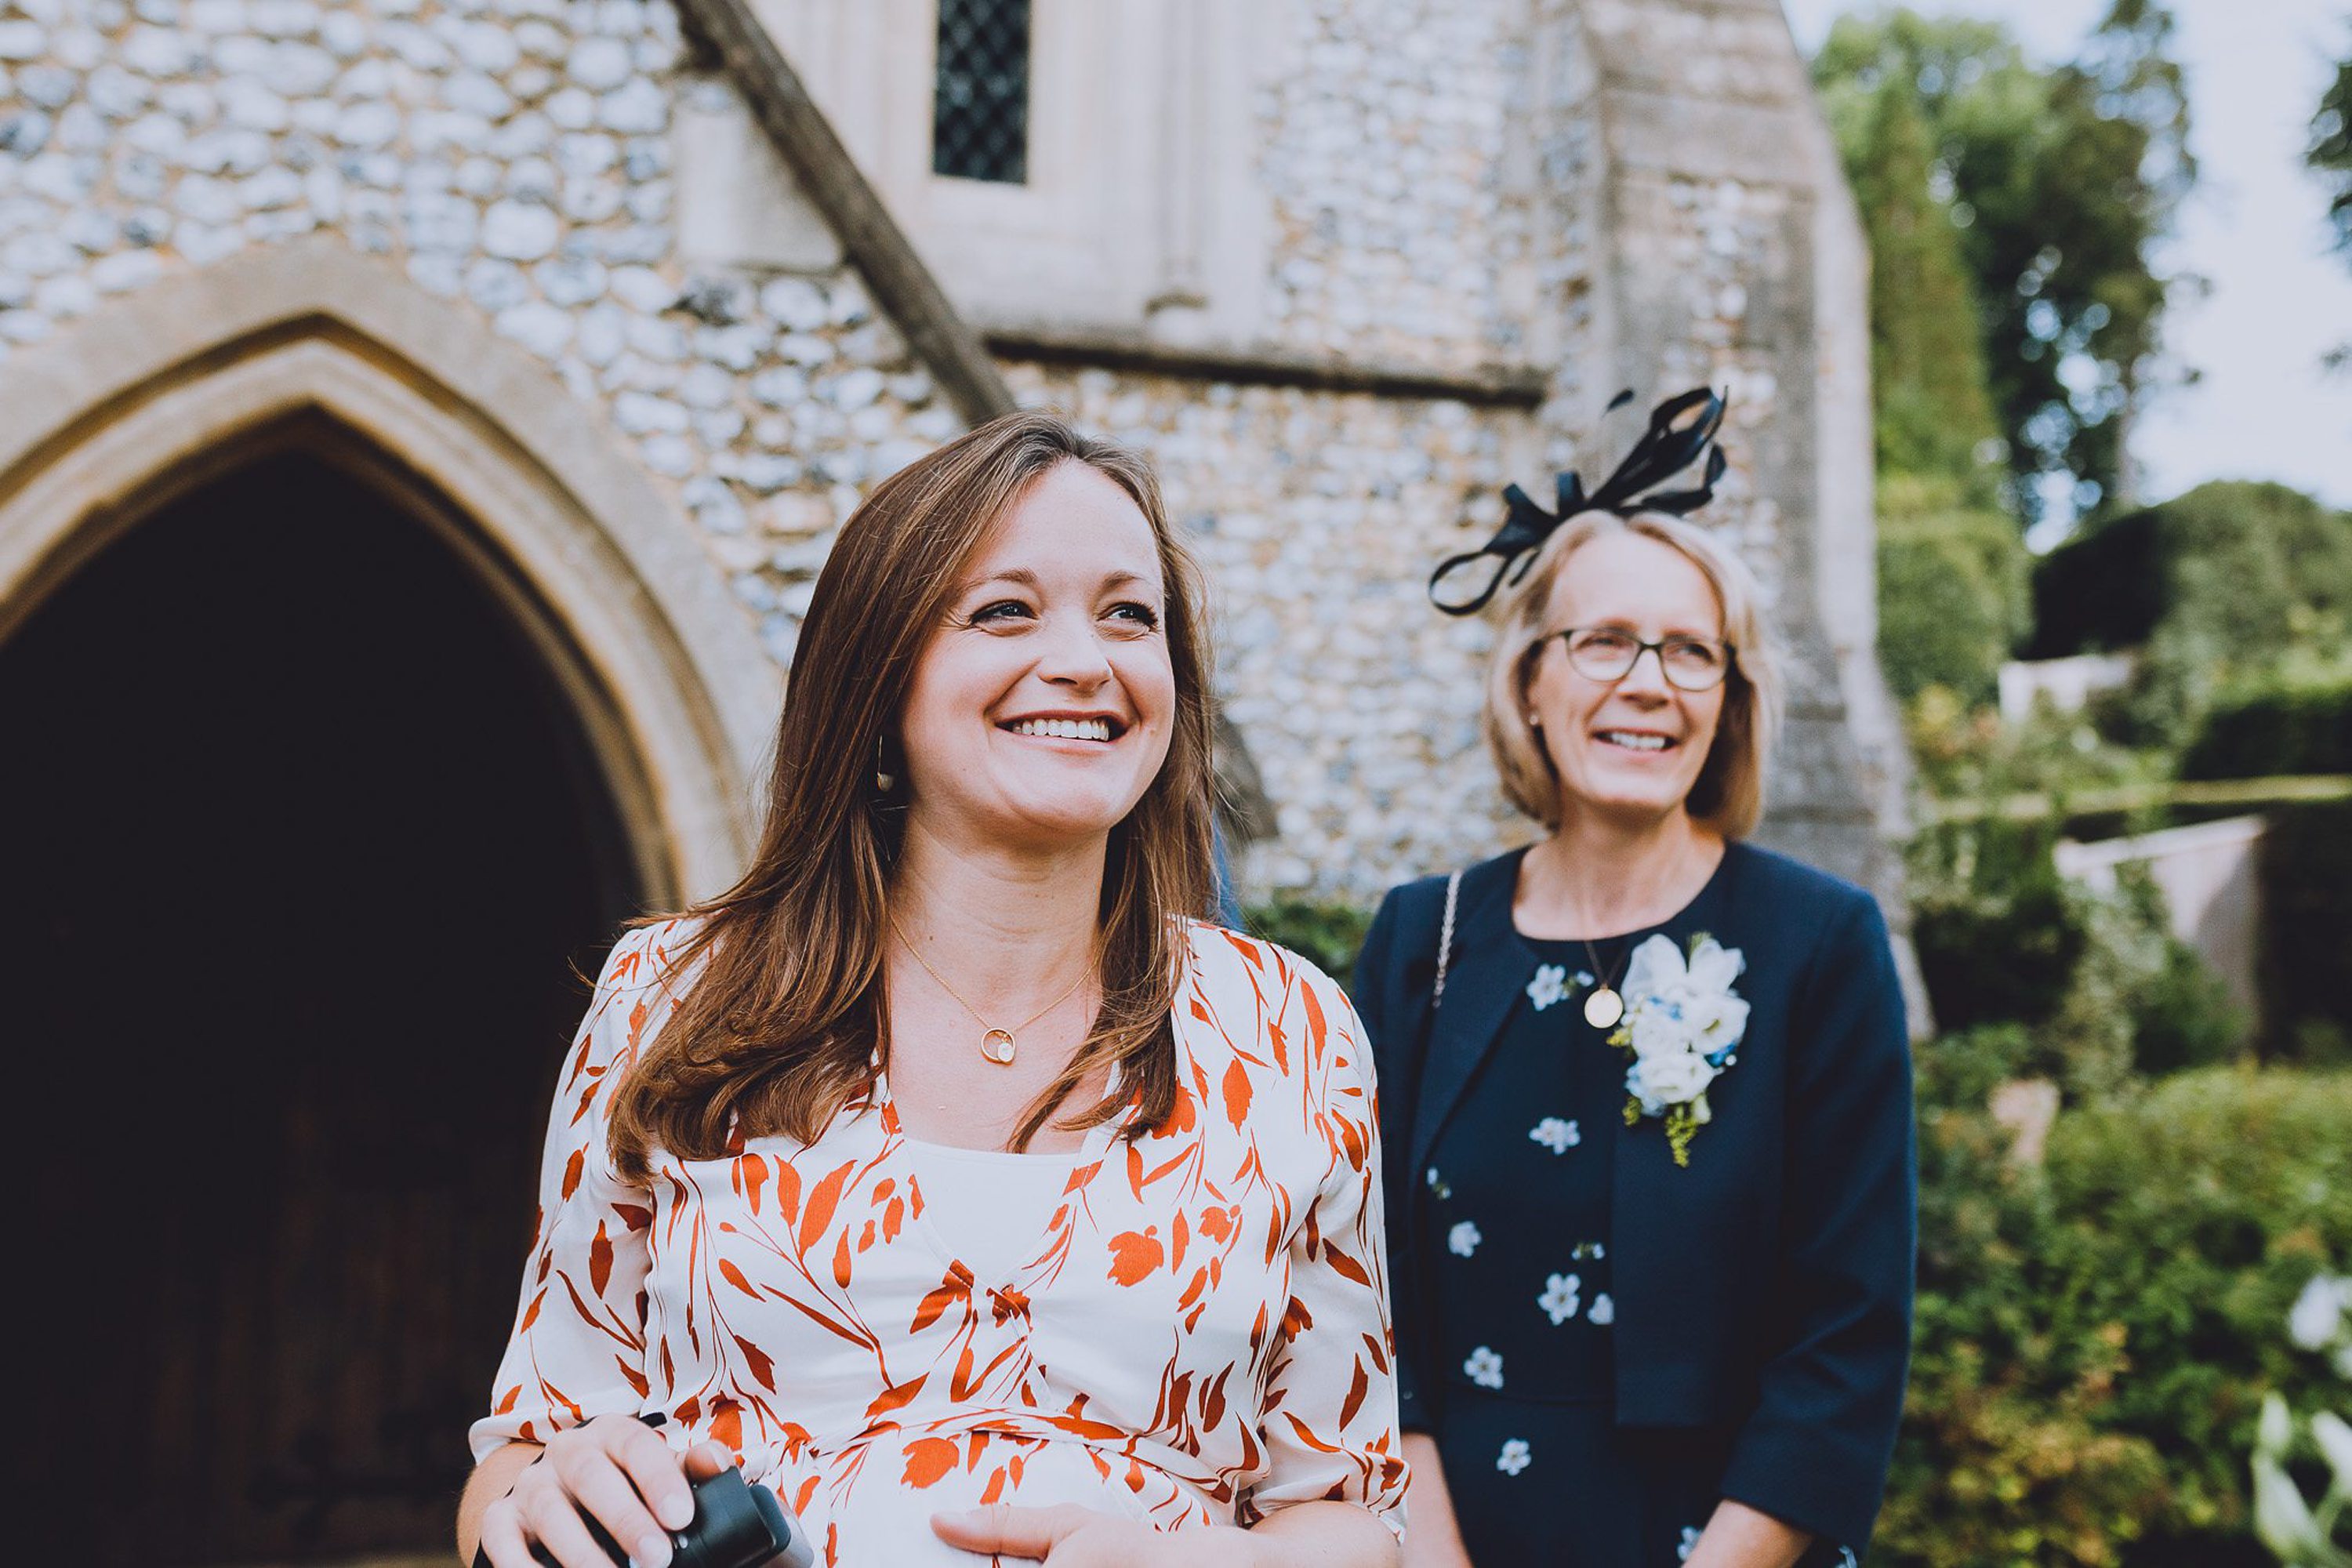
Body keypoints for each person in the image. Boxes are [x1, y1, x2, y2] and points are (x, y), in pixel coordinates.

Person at [457, 412, 1406, 1568]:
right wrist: (545, 1495)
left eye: (1129, 615)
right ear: (879, 678)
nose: (1084, 661)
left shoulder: (1291, 1031)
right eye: (1004, 610)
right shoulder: (672, 997)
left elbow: (1352, 1508)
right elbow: (521, 1455)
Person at [1354, 390, 1915, 1568]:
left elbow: (1848, 1333)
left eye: (1691, 651)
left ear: (1730, 697)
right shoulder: (1421, 941)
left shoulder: (1820, 944)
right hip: (1446, 1536)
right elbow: (1362, 1297)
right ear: (1531, 682)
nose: (1649, 681)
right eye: (1604, 641)